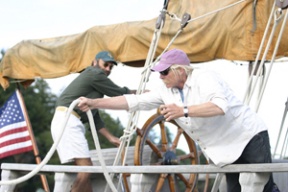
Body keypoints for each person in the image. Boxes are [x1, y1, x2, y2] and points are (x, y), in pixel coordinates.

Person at [77, 48, 280, 192]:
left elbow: (219, 106)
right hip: (224, 150)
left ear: (180, 70)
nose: (161, 77)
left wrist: (183, 110)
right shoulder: (165, 90)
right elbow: (133, 101)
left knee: (265, 188)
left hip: (248, 137)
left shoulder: (205, 77)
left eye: (165, 72)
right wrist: (94, 103)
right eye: (159, 72)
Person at [51, 50, 136, 192]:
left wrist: (111, 138)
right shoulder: (95, 74)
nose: (107, 69)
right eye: (105, 64)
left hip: (66, 120)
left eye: (111, 67)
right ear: (94, 62)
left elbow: (94, 118)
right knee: (86, 169)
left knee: (84, 171)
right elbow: (117, 92)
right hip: (69, 120)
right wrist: (139, 94)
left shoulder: (93, 86)